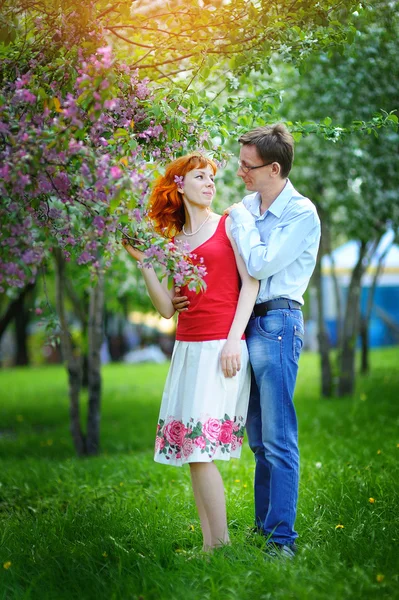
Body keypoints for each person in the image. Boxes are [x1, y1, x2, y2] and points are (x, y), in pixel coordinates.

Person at [173, 125, 321, 559]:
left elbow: (258, 263)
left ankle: (282, 540)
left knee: (278, 436)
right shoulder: (249, 207)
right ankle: (263, 528)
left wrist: (239, 219)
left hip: (277, 322)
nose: (238, 173)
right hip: (244, 325)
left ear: (273, 168)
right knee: (256, 438)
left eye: (247, 166)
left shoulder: (299, 213)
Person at [122, 153, 259, 552]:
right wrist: (145, 262)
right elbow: (166, 309)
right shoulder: (174, 243)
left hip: (223, 347)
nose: (210, 183)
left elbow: (249, 285)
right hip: (188, 350)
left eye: (211, 177)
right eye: (200, 176)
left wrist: (235, 339)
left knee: (200, 450)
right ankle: (209, 545)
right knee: (192, 453)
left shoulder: (228, 225)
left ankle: (220, 546)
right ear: (180, 185)